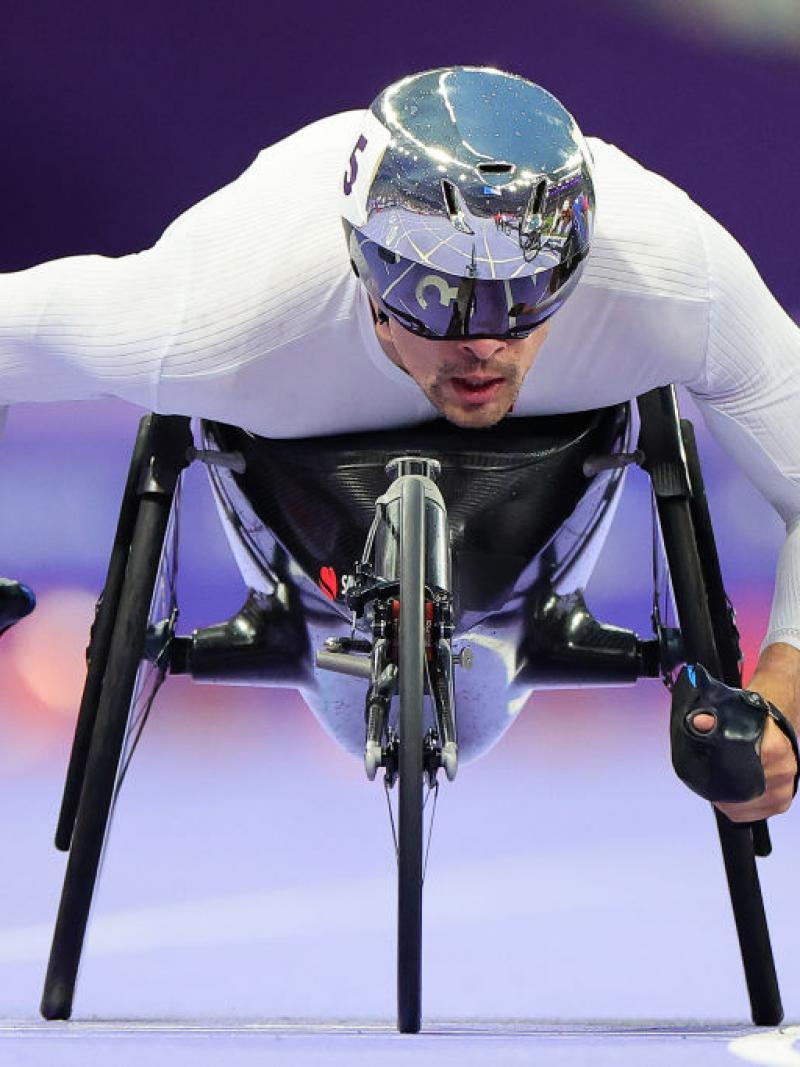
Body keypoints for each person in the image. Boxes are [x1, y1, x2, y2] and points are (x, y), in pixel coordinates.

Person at [0, 66, 797, 821]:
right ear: (365, 266)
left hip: (542, 522)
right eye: (436, 295)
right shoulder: (220, 312)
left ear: (574, 266)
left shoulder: (671, 276)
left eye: (524, 296)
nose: (485, 343)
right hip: (292, 506)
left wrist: (783, 702)